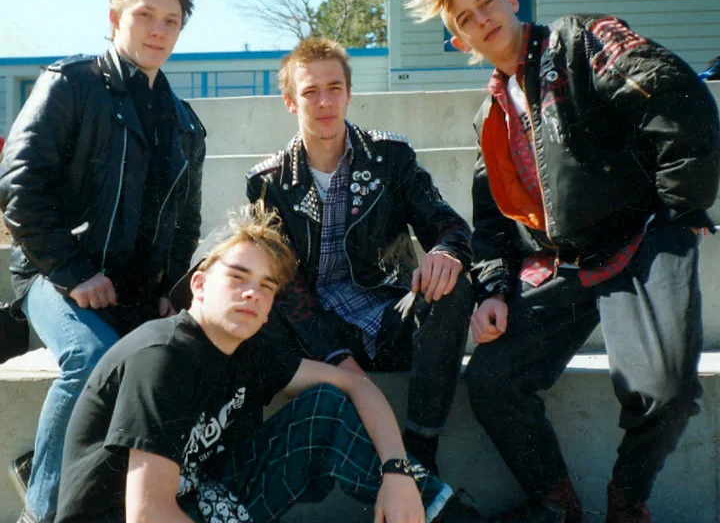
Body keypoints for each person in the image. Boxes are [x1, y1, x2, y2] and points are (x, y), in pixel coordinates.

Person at [401, 0, 720, 523]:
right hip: (565, 264)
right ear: (458, 40)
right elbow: (492, 221)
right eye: (466, 19)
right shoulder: (490, 117)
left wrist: (678, 205)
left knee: (665, 388)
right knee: (493, 381)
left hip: (640, 241)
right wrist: (495, 290)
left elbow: (674, 92)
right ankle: (558, 505)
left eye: (487, 3)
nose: (482, 19)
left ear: (511, 1)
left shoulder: (579, 40)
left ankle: (626, 502)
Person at [55, 208, 485, 523]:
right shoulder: (163, 357)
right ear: (200, 285)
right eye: (238, 278)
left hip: (204, 499)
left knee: (324, 408)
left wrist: (397, 473)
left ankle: (446, 515)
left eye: (266, 286)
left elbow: (358, 387)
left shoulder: (246, 349)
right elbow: (148, 514)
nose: (252, 295)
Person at [0, 0, 206, 523]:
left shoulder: (186, 124)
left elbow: (185, 223)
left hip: (137, 290)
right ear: (116, 17)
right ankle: (40, 513)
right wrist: (72, 272)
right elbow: (18, 184)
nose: (158, 30)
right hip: (52, 274)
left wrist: (171, 290)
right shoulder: (72, 84)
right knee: (90, 358)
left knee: (182, 358)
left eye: (172, 21)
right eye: (145, 15)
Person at [246, 37, 474, 475]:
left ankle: (422, 452)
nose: (325, 101)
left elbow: (445, 223)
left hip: (392, 319)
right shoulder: (269, 184)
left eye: (334, 88)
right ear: (291, 102)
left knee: (454, 284)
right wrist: (335, 356)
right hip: (316, 336)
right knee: (254, 299)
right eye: (311, 91)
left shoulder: (391, 158)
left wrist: (446, 251)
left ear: (350, 93)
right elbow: (289, 287)